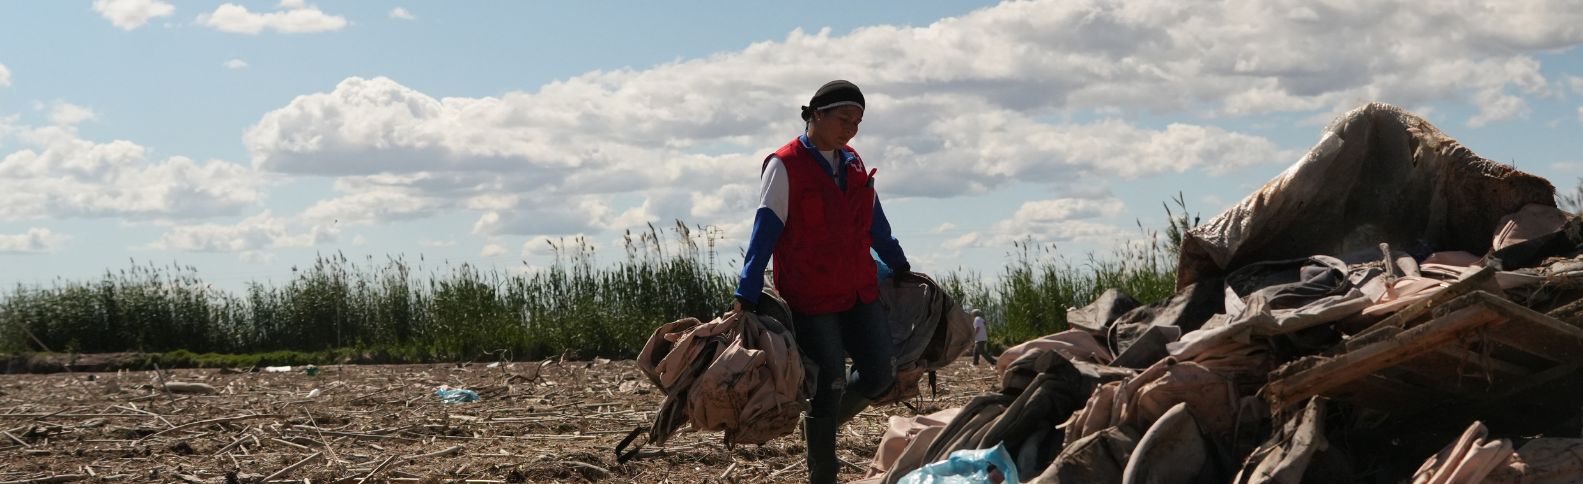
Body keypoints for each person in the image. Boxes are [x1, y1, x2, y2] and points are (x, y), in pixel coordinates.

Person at [733, 80, 911, 484]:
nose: (852, 127)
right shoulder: (784, 164)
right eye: (845, 117)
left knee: (881, 373)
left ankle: (821, 424)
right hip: (811, 295)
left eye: (859, 121)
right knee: (829, 378)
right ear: (816, 114)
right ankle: (822, 475)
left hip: (858, 288)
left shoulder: (853, 162)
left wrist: (899, 263)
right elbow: (766, 229)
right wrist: (746, 290)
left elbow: (875, 223)